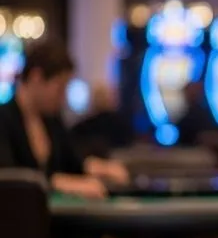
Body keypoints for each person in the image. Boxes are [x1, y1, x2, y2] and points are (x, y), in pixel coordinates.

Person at [0, 40, 129, 196]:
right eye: (60, 88)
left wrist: (101, 168)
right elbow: (9, 179)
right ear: (36, 77)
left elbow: (72, 161)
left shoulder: (52, 120)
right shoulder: (4, 119)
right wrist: (58, 182)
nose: (63, 98)